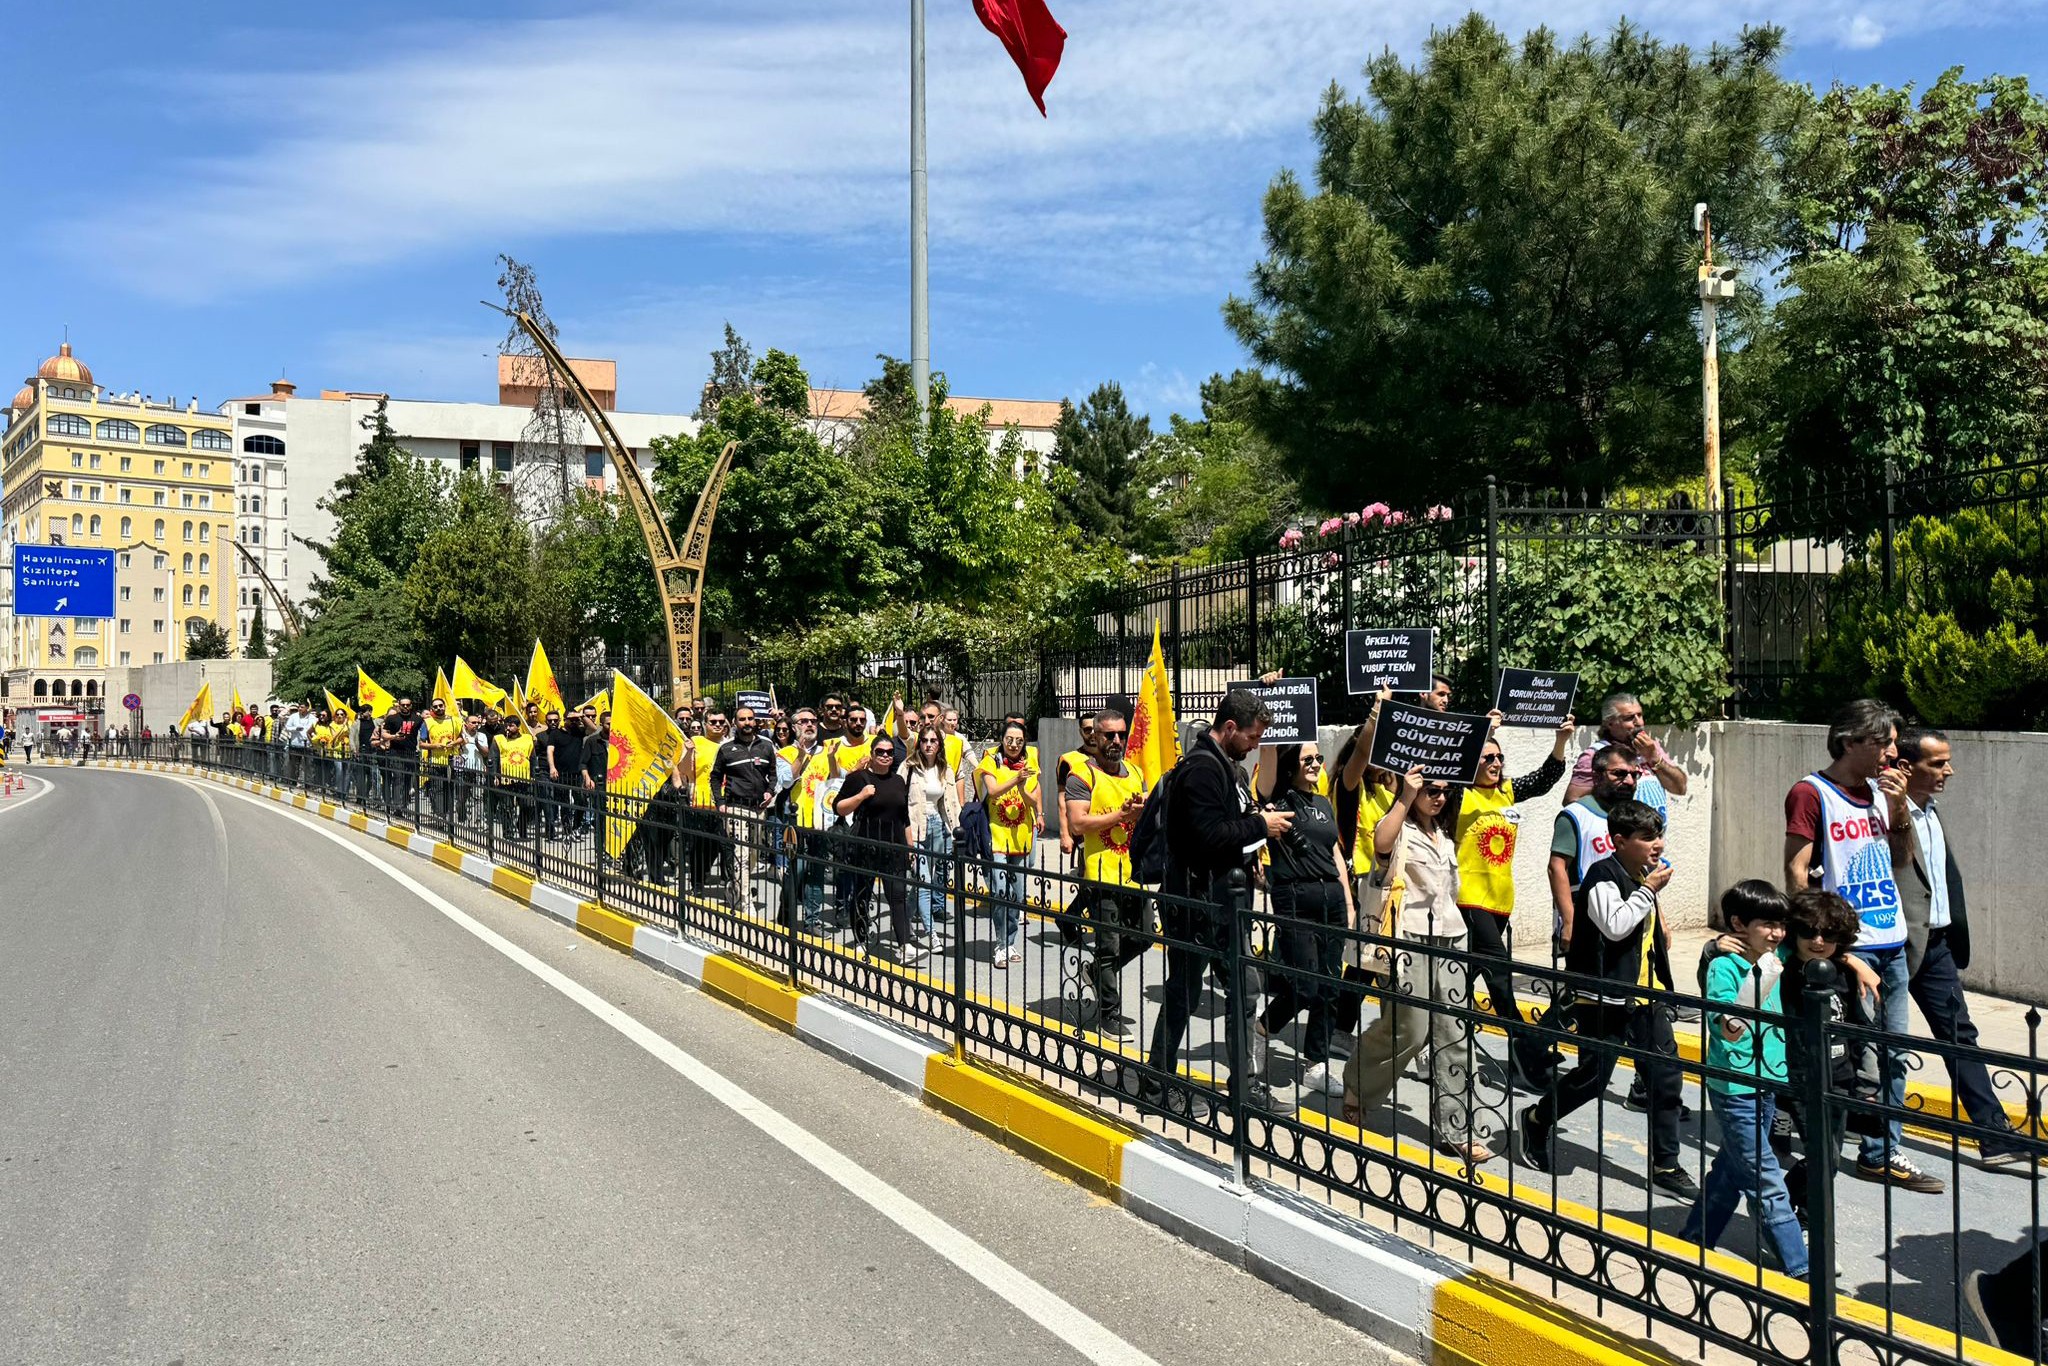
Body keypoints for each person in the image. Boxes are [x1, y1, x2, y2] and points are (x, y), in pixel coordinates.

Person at [1783, 698, 1943, 1193]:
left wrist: (1897, 805)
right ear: (1851, 741)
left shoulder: (1882, 792)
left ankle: (1879, 1151)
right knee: (1842, 1053)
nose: (1894, 752)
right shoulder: (1812, 793)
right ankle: (1805, 1133)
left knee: (1891, 1053)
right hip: (1847, 947)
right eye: (1884, 742)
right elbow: (1795, 872)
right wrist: (1832, 948)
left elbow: (1900, 857)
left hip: (1890, 940)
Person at [1518, 798, 1695, 1195]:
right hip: (1606, 999)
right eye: (1647, 838)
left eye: (1660, 836)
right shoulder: (1603, 875)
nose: (1658, 845)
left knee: (1665, 1080)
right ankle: (1536, 1119)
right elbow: (1615, 925)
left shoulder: (1644, 874)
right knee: (1593, 1078)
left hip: (1647, 997)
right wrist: (1648, 892)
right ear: (1619, 840)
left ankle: (1666, 1166)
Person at [1894, 727, 2037, 1168]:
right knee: (1875, 1044)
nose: (1948, 771)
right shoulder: (1887, 814)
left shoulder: (1932, 812)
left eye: (1947, 762)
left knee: (1961, 1038)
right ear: (1905, 767)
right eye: (1937, 764)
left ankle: (1994, 1137)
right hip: (1893, 947)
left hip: (1936, 946)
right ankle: (1829, 1123)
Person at [1343, 766, 1492, 1164]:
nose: (1438, 796)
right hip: (1409, 938)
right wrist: (1405, 797)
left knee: (1454, 1032)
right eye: (1430, 789)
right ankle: (1358, 1083)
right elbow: (1381, 843)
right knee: (1409, 1029)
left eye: (1443, 790)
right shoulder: (1401, 827)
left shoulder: (1442, 834)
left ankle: (1455, 1128)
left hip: (1451, 937)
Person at [1147, 691, 1288, 1099]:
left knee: (1244, 990)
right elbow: (1208, 837)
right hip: (1196, 904)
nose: (1255, 744)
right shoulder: (1202, 770)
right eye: (1252, 737)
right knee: (1184, 993)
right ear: (1229, 728)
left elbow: (1227, 832)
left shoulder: (1227, 768)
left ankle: (1243, 1088)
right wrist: (1261, 826)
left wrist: (1250, 861)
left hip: (1223, 902)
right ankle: (1157, 1080)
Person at [1680, 881, 1807, 1279]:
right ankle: (1801, 1265)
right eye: (1767, 925)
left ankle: (1695, 1236)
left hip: (1769, 1081)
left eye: (1780, 925)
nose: (1777, 933)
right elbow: (1725, 1026)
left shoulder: (1778, 953)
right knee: (1765, 1176)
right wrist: (1742, 988)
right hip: (1735, 1087)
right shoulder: (1725, 967)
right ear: (1739, 924)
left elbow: (1815, 935)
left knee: (1733, 1168)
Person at [1455, 716, 1574, 1084]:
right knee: (1500, 975)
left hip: (1501, 900)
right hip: (1468, 899)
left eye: (1499, 757)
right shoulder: (1458, 794)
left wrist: (1560, 741)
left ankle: (1436, 1031)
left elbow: (1543, 779)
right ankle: (1526, 1049)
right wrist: (1484, 733)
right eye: (1487, 758)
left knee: (1464, 980)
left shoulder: (1505, 791)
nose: (1495, 763)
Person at [1254, 741, 1354, 1098]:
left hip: (1331, 899)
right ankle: (1264, 1028)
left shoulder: (1324, 803)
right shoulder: (1278, 799)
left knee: (1330, 987)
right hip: (1295, 897)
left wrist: (1347, 901)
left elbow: (1334, 853)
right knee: (1306, 984)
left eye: (1318, 758)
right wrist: (1270, 734)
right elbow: (1266, 769)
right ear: (1290, 765)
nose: (1314, 764)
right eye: (1306, 759)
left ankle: (1316, 1063)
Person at [1064, 706, 1157, 1030]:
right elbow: (1077, 823)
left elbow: (1142, 819)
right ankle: (1109, 1013)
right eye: (1109, 735)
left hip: (1132, 872)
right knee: (1108, 946)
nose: (1116, 740)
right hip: (1101, 873)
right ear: (1096, 736)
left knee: (1145, 935)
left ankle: (1095, 974)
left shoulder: (1134, 772)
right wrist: (1121, 815)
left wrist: (1142, 811)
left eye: (1121, 734)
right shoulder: (1081, 775)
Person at [834, 736, 922, 963]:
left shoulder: (898, 781)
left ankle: (904, 946)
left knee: (898, 896)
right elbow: (839, 808)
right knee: (862, 895)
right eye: (880, 752)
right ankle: (861, 940)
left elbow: (904, 818)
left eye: (890, 752)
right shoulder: (858, 778)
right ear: (872, 754)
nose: (885, 756)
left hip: (895, 848)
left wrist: (910, 846)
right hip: (866, 846)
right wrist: (861, 795)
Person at [975, 720, 1041, 967]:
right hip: (997, 836)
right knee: (1000, 892)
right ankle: (1001, 944)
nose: (1014, 744)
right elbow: (992, 791)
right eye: (1009, 739)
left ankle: (1011, 941)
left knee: (1018, 896)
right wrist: (1016, 779)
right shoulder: (991, 760)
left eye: (1019, 741)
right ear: (1001, 739)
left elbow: (1034, 800)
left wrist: (1024, 787)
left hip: (1021, 837)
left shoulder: (1030, 761)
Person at [1564, 690, 1690, 820]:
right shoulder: (1595, 754)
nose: (1639, 723)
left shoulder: (1650, 748)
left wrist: (1655, 759)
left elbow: (1680, 788)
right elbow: (1572, 801)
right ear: (1610, 723)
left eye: (1640, 715)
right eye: (1629, 718)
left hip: (1653, 837)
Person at [711, 703, 778, 911]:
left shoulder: (766, 746)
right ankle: (746, 902)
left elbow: (773, 774)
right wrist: (720, 803)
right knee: (741, 854)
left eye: (750, 719)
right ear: (735, 723)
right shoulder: (726, 749)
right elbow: (715, 777)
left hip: (758, 809)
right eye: (742, 719)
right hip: (735, 808)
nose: (747, 723)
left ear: (755, 721)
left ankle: (734, 887)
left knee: (754, 855)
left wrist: (770, 790)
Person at [904, 723, 963, 940]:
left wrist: (955, 832)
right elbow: (900, 800)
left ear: (939, 744)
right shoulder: (909, 766)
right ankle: (931, 933)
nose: (929, 745)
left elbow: (949, 804)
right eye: (925, 740)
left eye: (933, 741)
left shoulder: (945, 769)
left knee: (921, 883)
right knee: (925, 881)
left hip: (936, 827)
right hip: (915, 828)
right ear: (919, 743)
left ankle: (904, 921)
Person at [422, 697, 463, 825]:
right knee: (438, 789)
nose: (439, 708)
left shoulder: (455, 721)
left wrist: (454, 743)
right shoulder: (427, 723)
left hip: (453, 761)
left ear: (444, 706)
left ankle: (447, 815)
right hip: (436, 761)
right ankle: (441, 816)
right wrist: (435, 746)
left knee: (450, 790)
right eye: (436, 706)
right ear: (432, 709)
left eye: (441, 705)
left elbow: (462, 739)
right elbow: (422, 744)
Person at [495, 714, 534, 840]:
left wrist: (534, 775)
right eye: (506, 725)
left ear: (518, 727)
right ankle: (508, 833)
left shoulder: (528, 739)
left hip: (524, 778)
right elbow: (493, 758)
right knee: (506, 807)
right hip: (506, 779)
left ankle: (521, 826)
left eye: (511, 726)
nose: (507, 728)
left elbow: (533, 758)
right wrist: (495, 776)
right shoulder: (499, 739)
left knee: (527, 805)